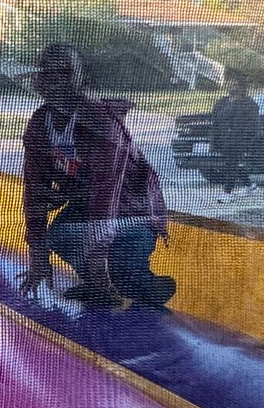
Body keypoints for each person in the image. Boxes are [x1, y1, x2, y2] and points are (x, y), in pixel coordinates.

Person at [16, 42, 176, 310]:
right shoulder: (39, 124)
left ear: (82, 79)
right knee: (59, 235)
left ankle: (141, 284)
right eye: (45, 72)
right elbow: (34, 190)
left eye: (64, 73)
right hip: (87, 208)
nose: (54, 80)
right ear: (36, 80)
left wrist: (98, 261)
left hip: (133, 213)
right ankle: (96, 284)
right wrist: (38, 257)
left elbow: (106, 197)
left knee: (124, 273)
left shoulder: (99, 122)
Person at [209, 70, 262, 202]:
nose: (229, 85)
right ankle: (250, 186)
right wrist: (214, 139)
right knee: (232, 164)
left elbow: (253, 125)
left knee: (231, 165)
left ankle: (227, 192)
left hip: (238, 141)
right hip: (223, 140)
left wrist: (244, 138)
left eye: (233, 83)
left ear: (241, 86)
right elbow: (215, 120)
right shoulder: (222, 102)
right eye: (228, 83)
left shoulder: (249, 104)